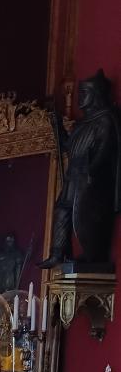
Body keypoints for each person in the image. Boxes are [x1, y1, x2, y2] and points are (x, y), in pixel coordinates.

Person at [40, 69, 121, 268]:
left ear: (95, 95)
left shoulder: (105, 120)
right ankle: (58, 252)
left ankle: (92, 254)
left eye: (84, 93)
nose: (80, 98)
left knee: (87, 216)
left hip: (89, 178)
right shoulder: (83, 123)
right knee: (62, 211)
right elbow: (68, 147)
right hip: (74, 176)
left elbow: (104, 150)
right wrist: (58, 127)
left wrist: (91, 170)